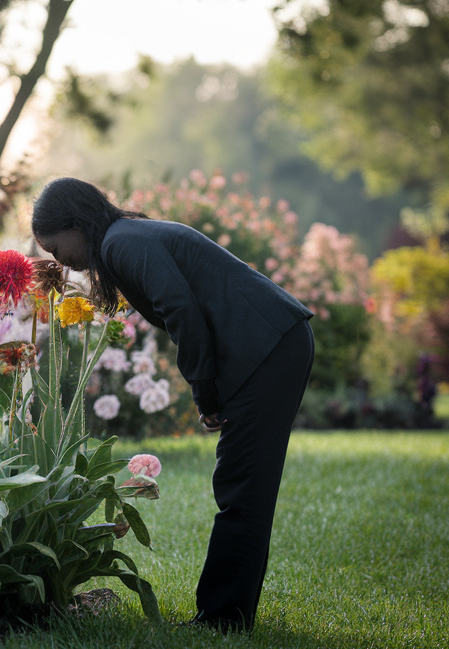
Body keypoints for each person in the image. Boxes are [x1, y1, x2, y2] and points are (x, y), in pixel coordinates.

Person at [30, 177, 315, 632]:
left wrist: (205, 392)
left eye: (55, 248)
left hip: (269, 345)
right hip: (271, 342)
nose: (57, 262)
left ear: (76, 224)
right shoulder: (126, 238)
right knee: (244, 484)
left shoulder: (122, 242)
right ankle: (226, 614)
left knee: (243, 487)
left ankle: (221, 620)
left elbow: (181, 310)